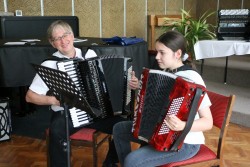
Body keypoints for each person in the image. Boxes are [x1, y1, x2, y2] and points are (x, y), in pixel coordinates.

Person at [26, 20, 122, 167]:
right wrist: (54, 100)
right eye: (57, 38)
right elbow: (30, 96)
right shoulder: (50, 64)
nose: (63, 41)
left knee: (123, 125)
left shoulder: (89, 54)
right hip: (66, 113)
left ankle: (109, 163)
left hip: (94, 110)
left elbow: (104, 82)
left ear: (72, 36)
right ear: (52, 43)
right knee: (56, 132)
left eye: (65, 35)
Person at [112, 30, 213, 167]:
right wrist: (139, 86)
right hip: (159, 133)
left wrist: (183, 125)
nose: (157, 57)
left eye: (162, 52)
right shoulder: (165, 73)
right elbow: (155, 101)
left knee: (133, 160)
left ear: (177, 54)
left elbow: (208, 122)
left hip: (184, 143)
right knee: (119, 129)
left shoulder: (192, 79)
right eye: (156, 52)